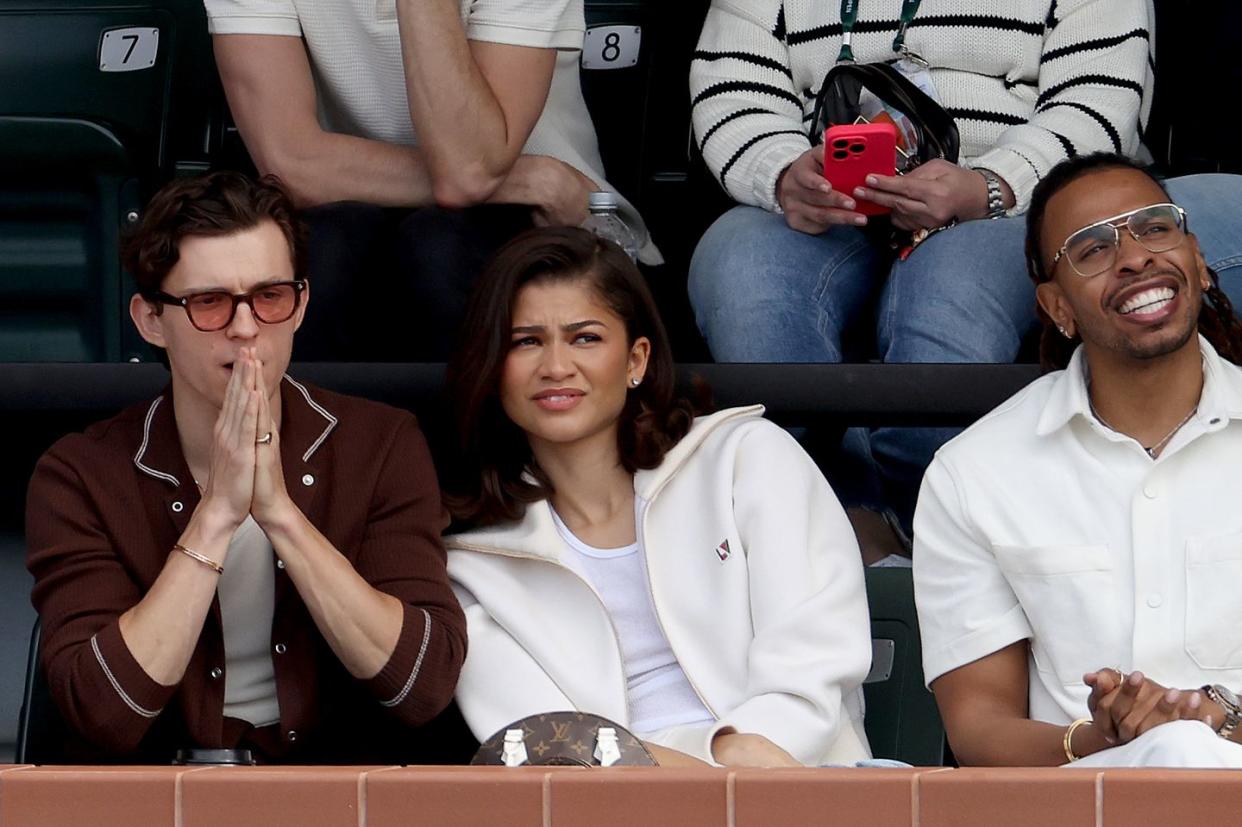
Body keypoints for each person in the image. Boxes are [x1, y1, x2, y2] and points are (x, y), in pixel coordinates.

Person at [688, 0, 1242, 538]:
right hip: (825, 200)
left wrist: (992, 184)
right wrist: (781, 172)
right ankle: (828, 527)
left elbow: (1100, 98)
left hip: (1012, 200)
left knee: (948, 305)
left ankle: (931, 535)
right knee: (746, 276)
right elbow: (731, 88)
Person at [24, 172, 466, 763]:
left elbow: (422, 684)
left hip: (333, 794)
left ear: (302, 303)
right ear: (151, 320)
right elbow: (103, 710)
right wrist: (217, 517)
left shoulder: (380, 444)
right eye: (209, 302)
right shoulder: (80, 473)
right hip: (152, 797)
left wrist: (280, 514)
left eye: (270, 296)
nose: (246, 326)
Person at [441, 227, 872, 766]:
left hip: (799, 783)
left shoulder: (745, 459)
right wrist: (700, 779)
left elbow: (812, 673)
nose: (555, 365)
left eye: (585, 338)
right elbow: (547, 750)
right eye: (526, 341)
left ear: (636, 360)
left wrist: (738, 763)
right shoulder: (473, 564)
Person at [913, 153, 1242, 767]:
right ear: (1057, 307)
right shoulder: (974, 471)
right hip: (1081, 799)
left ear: (1198, 261)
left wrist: (1223, 719)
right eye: (1091, 250)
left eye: (1155, 228)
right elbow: (980, 728)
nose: (1135, 256)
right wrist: (1100, 739)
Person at [204, 0, 659, 360]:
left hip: (541, 221)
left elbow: (470, 165)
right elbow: (290, 163)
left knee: (437, 248)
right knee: (324, 252)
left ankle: (481, 474)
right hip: (348, 210)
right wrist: (528, 178)